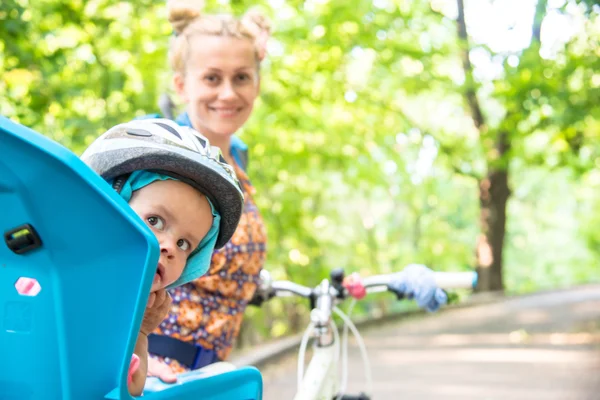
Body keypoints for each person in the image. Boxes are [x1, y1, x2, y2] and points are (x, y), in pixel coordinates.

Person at [144, 0, 271, 380]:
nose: (229, 93)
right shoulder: (159, 153)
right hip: (153, 370)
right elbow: (105, 253)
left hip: (209, 373)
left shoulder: (237, 164)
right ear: (182, 86)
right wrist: (131, 354)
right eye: (213, 78)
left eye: (242, 77)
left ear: (257, 83)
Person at [80, 118, 245, 395]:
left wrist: (141, 333)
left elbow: (128, 387)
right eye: (154, 221)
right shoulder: (65, 283)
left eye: (184, 243)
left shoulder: (127, 312)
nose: (169, 246)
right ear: (107, 208)